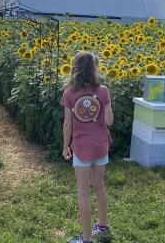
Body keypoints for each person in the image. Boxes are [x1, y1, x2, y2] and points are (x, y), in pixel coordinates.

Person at [60, 51, 114, 243]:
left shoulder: (69, 93)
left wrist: (66, 146)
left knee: (83, 192)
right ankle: (102, 225)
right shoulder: (103, 91)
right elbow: (109, 121)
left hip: (82, 148)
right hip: (100, 146)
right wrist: (106, 104)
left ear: (74, 69)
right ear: (95, 68)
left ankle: (87, 239)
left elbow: (68, 124)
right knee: (99, 186)